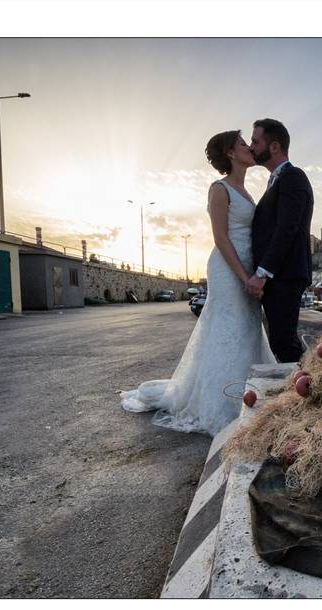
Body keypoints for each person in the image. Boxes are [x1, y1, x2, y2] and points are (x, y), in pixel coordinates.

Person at [120, 131, 275, 435]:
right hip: (228, 269)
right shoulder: (220, 189)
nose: (249, 148)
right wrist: (245, 277)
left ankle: (246, 393)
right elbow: (221, 237)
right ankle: (223, 403)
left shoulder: (245, 191)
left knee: (246, 327)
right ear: (230, 153)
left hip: (247, 267)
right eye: (243, 144)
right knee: (228, 329)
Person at [246, 118, 315, 362]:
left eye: (255, 141)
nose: (251, 146)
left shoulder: (293, 177)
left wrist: (262, 274)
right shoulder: (276, 180)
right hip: (280, 276)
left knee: (284, 343)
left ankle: (306, 393)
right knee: (281, 341)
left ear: (274, 147)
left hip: (285, 276)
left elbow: (287, 228)